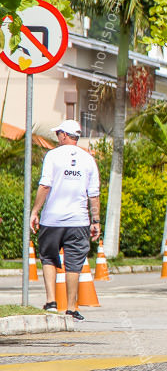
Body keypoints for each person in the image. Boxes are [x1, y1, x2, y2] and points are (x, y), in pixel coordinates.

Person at [29, 120, 101, 321]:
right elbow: (93, 194)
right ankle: (71, 307)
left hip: (52, 219)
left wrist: (35, 211)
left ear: (64, 135)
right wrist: (96, 221)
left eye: (59, 133)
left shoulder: (52, 156)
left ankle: (51, 302)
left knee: (49, 257)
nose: (58, 137)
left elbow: (45, 186)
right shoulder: (88, 159)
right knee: (74, 263)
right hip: (79, 221)